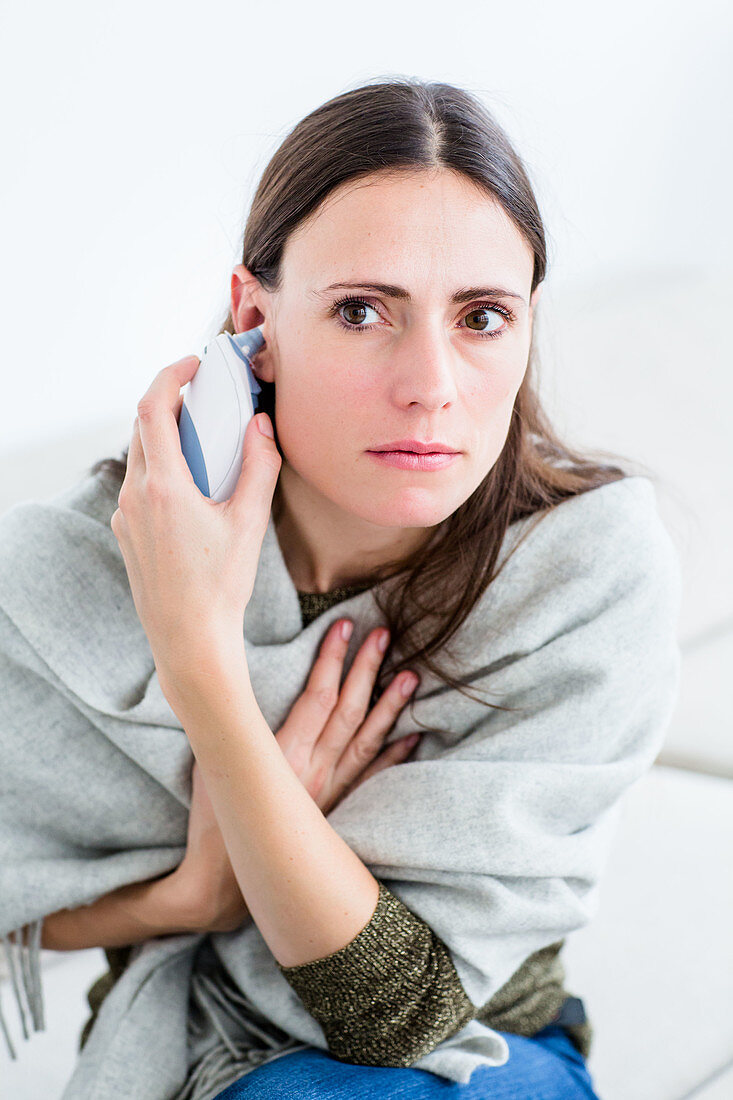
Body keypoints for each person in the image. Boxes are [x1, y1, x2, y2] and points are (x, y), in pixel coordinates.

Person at [1, 77, 680, 1100]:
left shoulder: (585, 568)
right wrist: (188, 894)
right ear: (252, 315)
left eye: (482, 316)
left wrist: (206, 677)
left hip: (476, 1045)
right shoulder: (87, 564)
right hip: (182, 1041)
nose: (431, 383)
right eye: (363, 310)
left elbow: (400, 1014)